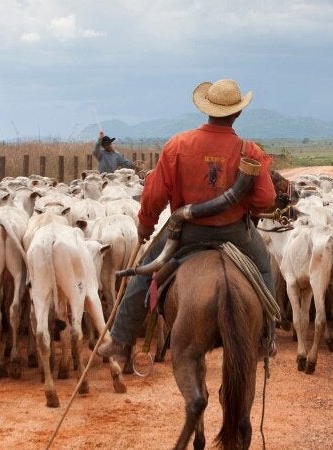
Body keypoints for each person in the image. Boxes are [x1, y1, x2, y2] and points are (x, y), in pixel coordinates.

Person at [96, 78, 277, 364]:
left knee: (144, 272)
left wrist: (145, 223)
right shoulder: (249, 151)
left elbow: (155, 194)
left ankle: (120, 339)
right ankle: (266, 337)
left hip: (185, 231)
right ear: (238, 113)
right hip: (234, 233)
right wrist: (243, 204)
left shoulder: (178, 145)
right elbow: (266, 199)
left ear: (207, 109)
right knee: (265, 267)